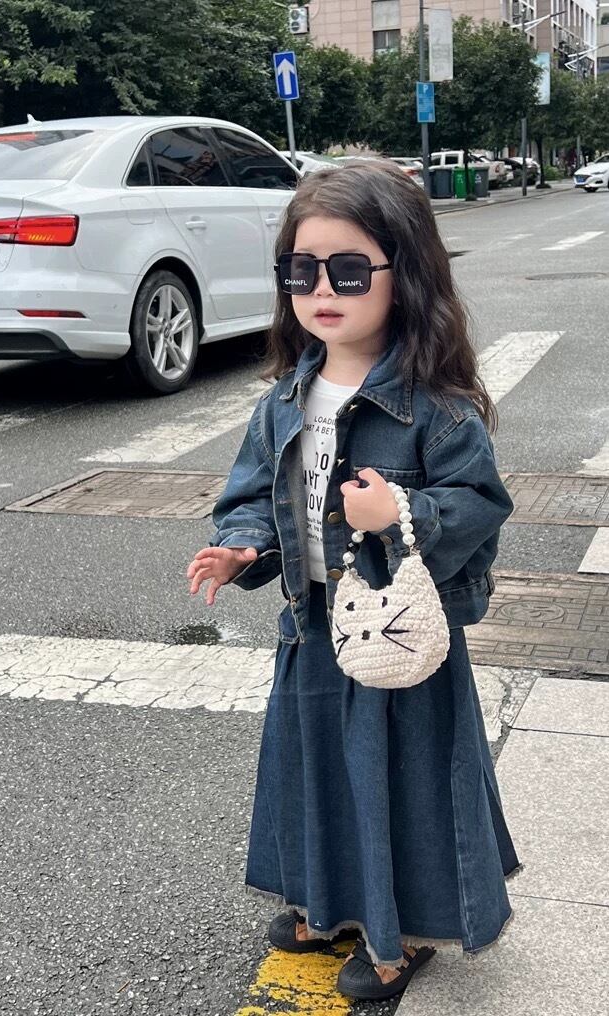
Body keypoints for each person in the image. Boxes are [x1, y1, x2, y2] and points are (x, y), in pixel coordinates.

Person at [185, 162, 522, 1002]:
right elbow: (252, 497)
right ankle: (326, 904)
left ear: (404, 275)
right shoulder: (284, 401)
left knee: (395, 788)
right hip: (311, 628)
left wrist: (401, 511)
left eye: (347, 270)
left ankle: (396, 935)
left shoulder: (436, 407)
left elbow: (480, 504)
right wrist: (241, 550)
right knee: (315, 774)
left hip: (401, 640)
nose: (321, 290)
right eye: (301, 271)